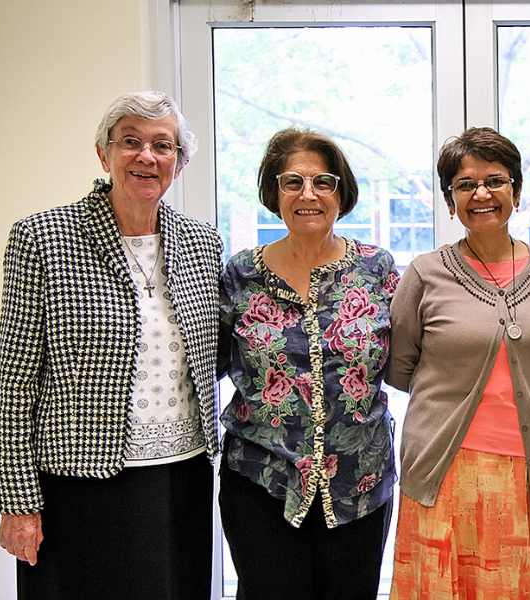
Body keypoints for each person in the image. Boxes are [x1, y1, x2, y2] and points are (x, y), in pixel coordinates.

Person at [0, 91, 222, 599]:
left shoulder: (204, 241)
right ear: (104, 153)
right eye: (131, 142)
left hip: (182, 476)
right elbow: (13, 380)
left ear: (178, 164)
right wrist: (17, 498)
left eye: (163, 146)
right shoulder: (42, 237)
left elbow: (212, 356)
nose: (146, 156)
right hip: (81, 480)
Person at [386, 127, 530, 599]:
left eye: (494, 180)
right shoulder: (425, 272)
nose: (481, 194)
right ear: (450, 201)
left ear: (515, 189)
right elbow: (401, 366)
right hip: (444, 469)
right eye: (465, 184)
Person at [217, 127, 398, 600]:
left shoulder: (377, 268)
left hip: (359, 482)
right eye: (292, 182)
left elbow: (413, 359)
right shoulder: (240, 274)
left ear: (342, 193)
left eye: (323, 182)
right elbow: (207, 362)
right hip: (261, 479)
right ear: (274, 194)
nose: (308, 195)